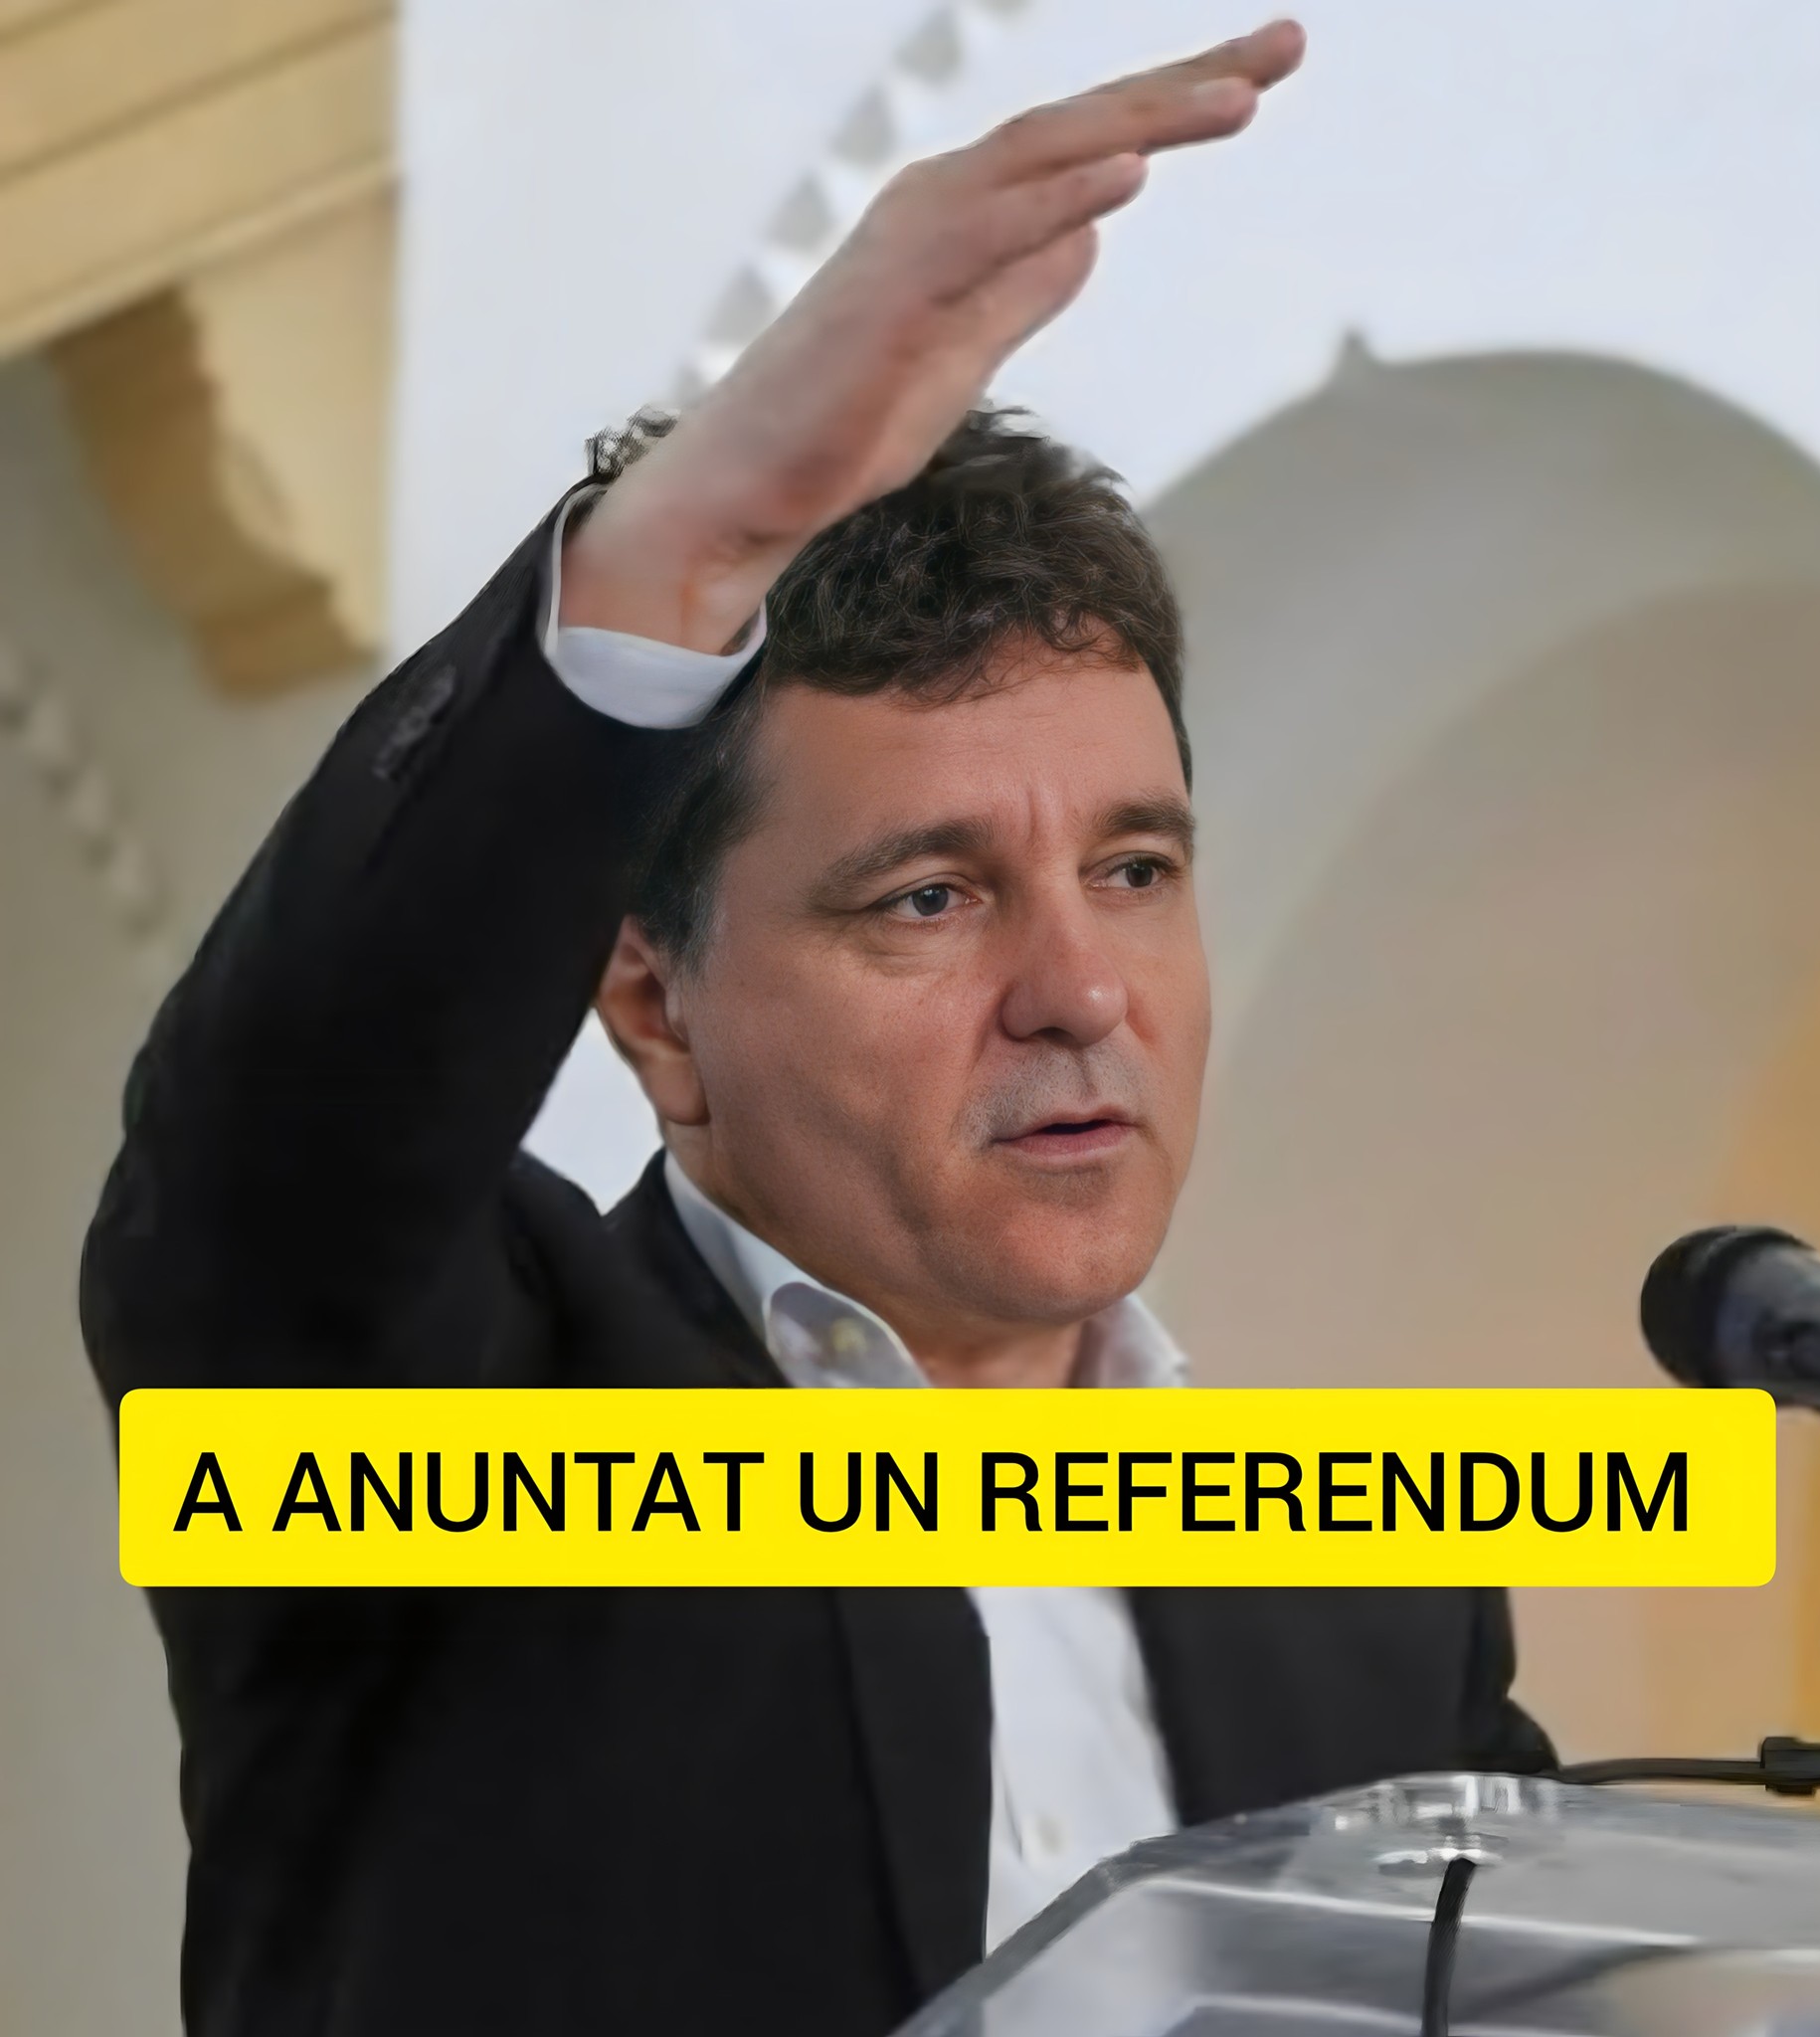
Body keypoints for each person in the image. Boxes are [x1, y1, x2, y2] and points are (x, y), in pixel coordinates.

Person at [81, 21, 1551, 2037]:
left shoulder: (1364, 1577)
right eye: (930, 897)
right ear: (654, 1002)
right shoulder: (464, 1435)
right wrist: (685, 547)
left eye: (1133, 868)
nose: (1079, 991)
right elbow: (286, 1145)